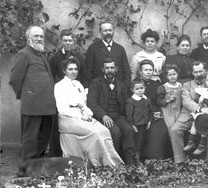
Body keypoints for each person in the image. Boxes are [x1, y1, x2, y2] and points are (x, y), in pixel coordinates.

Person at [54, 57, 123, 167]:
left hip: (82, 115)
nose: (73, 72)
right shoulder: (59, 86)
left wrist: (87, 113)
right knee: (94, 133)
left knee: (104, 130)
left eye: (75, 69)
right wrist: (81, 117)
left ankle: (109, 162)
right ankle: (97, 163)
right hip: (67, 118)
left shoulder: (78, 84)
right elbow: (62, 108)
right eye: (70, 69)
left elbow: (84, 103)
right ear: (64, 71)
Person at [9, 26, 56, 161]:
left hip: (47, 104)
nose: (39, 39)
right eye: (36, 36)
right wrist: (26, 95)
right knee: (31, 138)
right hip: (32, 105)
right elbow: (15, 79)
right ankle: (26, 168)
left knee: (43, 136)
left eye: (41, 36)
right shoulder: (23, 54)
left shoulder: (41, 54)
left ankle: (38, 165)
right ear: (28, 37)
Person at [169, 61, 208, 165]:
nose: (198, 74)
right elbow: (186, 101)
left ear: (205, 71)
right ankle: (180, 161)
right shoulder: (187, 85)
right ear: (192, 73)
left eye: (201, 71)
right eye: (196, 72)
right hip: (189, 115)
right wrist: (200, 109)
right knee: (174, 130)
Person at [87, 58, 136, 165]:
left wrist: (132, 119)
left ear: (116, 69)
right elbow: (92, 102)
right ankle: (114, 163)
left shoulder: (121, 84)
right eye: (107, 68)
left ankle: (130, 163)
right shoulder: (96, 83)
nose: (109, 70)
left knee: (128, 129)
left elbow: (127, 103)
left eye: (112, 67)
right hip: (103, 116)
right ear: (103, 69)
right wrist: (103, 115)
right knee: (115, 132)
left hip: (118, 116)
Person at [49, 28, 89, 157]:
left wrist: (82, 92)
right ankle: (56, 154)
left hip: (75, 95)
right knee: (57, 123)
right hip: (60, 94)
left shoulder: (79, 58)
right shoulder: (55, 58)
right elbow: (51, 76)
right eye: (65, 40)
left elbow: (84, 76)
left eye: (70, 40)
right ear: (61, 41)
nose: (67, 43)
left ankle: (79, 154)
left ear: (73, 42)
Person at [136, 59, 170, 160]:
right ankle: (145, 158)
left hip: (156, 112)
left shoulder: (156, 84)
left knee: (160, 129)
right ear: (140, 72)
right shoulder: (136, 84)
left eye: (150, 70)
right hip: (141, 112)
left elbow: (160, 98)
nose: (148, 72)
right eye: (145, 70)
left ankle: (156, 159)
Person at [85, 21, 131, 88]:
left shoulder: (120, 49)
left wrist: (125, 87)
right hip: (99, 88)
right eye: (105, 31)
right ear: (100, 32)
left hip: (118, 89)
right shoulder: (93, 48)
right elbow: (88, 71)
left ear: (114, 31)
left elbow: (126, 71)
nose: (108, 33)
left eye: (110, 30)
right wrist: (92, 87)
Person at [125, 79, 152, 161]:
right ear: (132, 90)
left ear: (145, 88)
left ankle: (141, 158)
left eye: (141, 88)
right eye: (137, 89)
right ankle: (135, 159)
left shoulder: (147, 100)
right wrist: (132, 125)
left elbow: (150, 111)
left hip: (145, 125)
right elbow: (129, 115)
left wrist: (149, 121)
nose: (140, 90)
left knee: (143, 142)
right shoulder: (131, 102)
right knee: (137, 143)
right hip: (137, 126)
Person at [157, 64, 183, 131]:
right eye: (170, 75)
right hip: (168, 111)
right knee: (170, 127)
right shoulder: (164, 87)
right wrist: (168, 100)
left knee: (178, 127)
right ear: (166, 76)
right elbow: (159, 101)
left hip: (178, 110)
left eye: (174, 74)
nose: (172, 76)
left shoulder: (180, 86)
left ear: (177, 74)